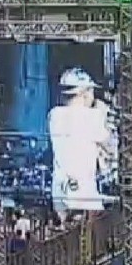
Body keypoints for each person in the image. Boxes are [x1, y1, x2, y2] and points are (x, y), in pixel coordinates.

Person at [47, 68, 114, 214]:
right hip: (84, 193)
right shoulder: (92, 116)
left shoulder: (54, 115)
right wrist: (103, 116)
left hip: (60, 190)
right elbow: (110, 147)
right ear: (84, 93)